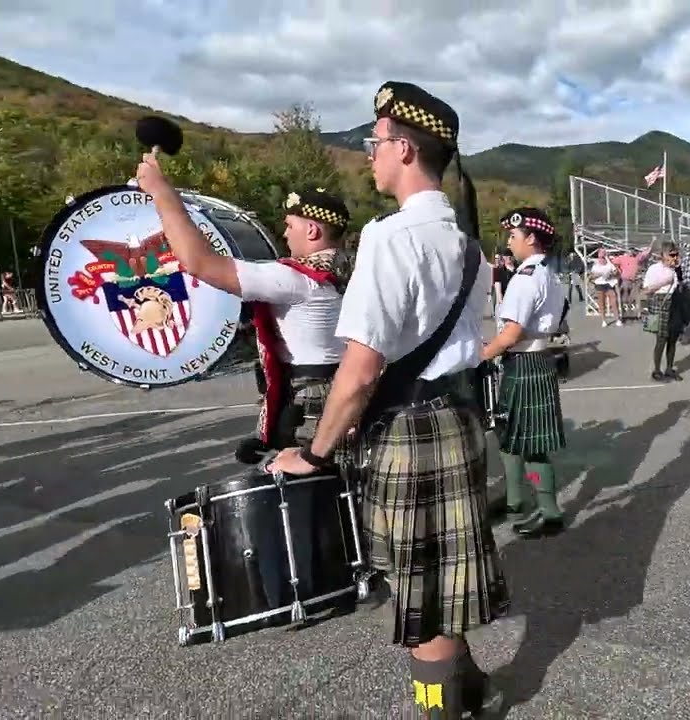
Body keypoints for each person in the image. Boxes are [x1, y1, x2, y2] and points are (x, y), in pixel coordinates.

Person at [266, 80, 506, 718]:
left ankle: (442, 710)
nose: (369, 154)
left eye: (374, 143)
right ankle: (469, 689)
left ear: (403, 148)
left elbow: (361, 370)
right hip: (456, 419)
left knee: (420, 600)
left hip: (407, 433)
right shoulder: (472, 245)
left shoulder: (389, 237)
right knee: (442, 580)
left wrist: (314, 455)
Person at [134, 160, 349, 463]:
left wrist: (162, 192)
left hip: (308, 404)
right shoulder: (349, 270)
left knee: (303, 495)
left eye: (290, 226)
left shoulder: (296, 280)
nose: (285, 235)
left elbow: (200, 263)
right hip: (340, 394)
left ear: (312, 230)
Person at [483, 207, 569, 537]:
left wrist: (483, 353)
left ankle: (548, 511)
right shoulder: (548, 274)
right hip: (534, 360)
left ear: (531, 239)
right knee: (508, 436)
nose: (509, 241)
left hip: (525, 362)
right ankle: (515, 500)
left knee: (532, 445)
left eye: (514, 236)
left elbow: (512, 333)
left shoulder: (526, 277)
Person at [641, 241, 687, 381]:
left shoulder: (676, 269)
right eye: (671, 255)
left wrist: (677, 271)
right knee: (661, 339)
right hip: (659, 302)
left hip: (674, 303)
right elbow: (646, 291)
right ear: (663, 255)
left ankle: (669, 369)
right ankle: (656, 370)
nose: (674, 257)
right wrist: (664, 282)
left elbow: (681, 285)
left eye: (675, 254)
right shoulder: (654, 269)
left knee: (673, 338)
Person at [588, 248, 621, 326]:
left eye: (603, 256)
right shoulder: (595, 265)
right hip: (600, 284)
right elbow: (591, 277)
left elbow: (616, 273)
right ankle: (603, 320)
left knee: (614, 301)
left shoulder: (609, 264)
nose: (601, 258)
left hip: (609, 284)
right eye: (600, 256)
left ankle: (617, 319)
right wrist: (597, 275)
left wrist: (612, 274)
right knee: (601, 303)